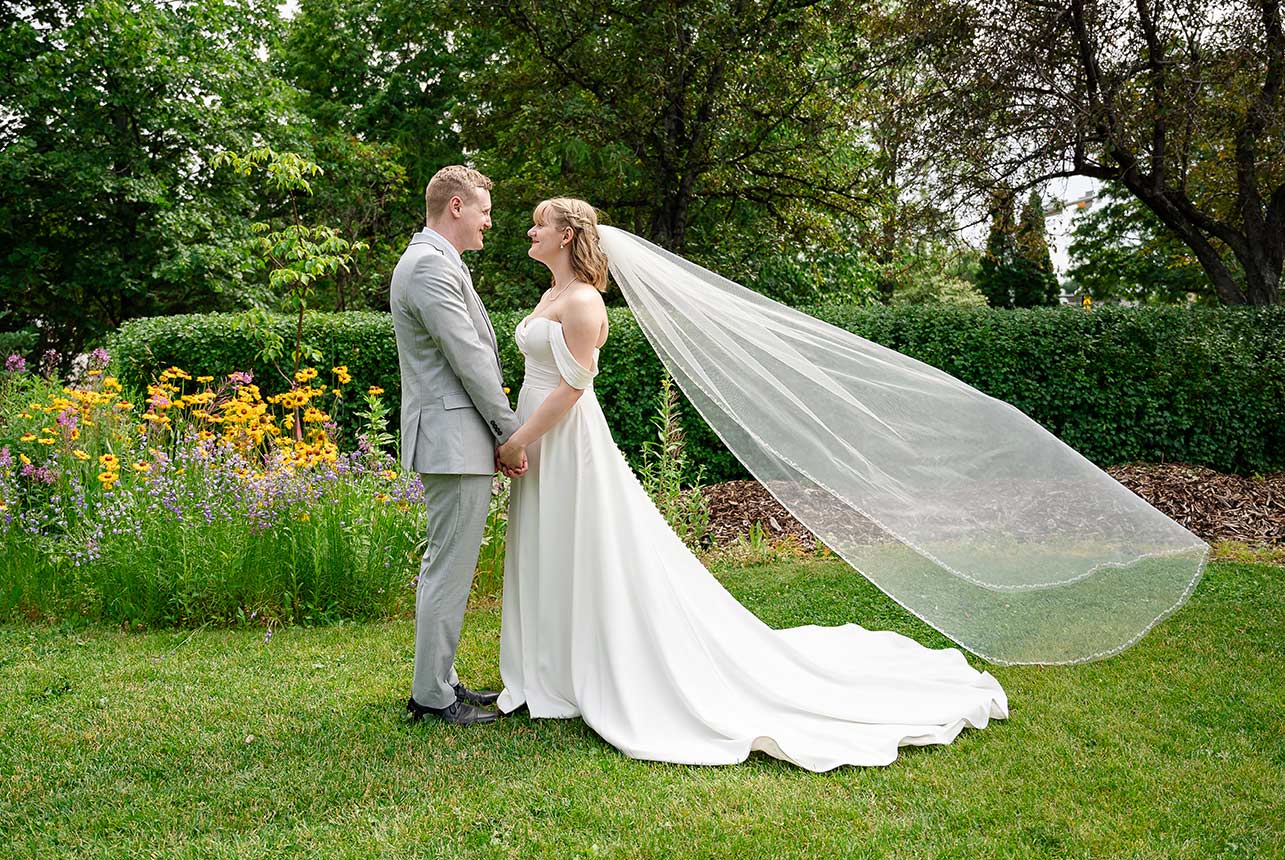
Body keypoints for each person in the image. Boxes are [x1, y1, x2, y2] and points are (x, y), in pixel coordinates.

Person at [492, 198, 1008, 771]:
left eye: (540, 222)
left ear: (567, 236)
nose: (530, 230)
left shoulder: (584, 302)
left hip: (564, 435)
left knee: (584, 546)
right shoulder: (550, 296)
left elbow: (572, 388)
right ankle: (550, 668)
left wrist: (519, 441)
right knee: (549, 544)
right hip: (539, 429)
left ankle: (595, 666)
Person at [389, 165, 527, 727]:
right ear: (455, 207)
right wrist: (509, 431)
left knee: (448, 564)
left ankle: (440, 680)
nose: (489, 222)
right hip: (453, 438)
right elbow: (469, 358)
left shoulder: (441, 262)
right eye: (484, 210)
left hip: (455, 437)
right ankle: (431, 698)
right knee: (448, 567)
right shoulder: (426, 266)